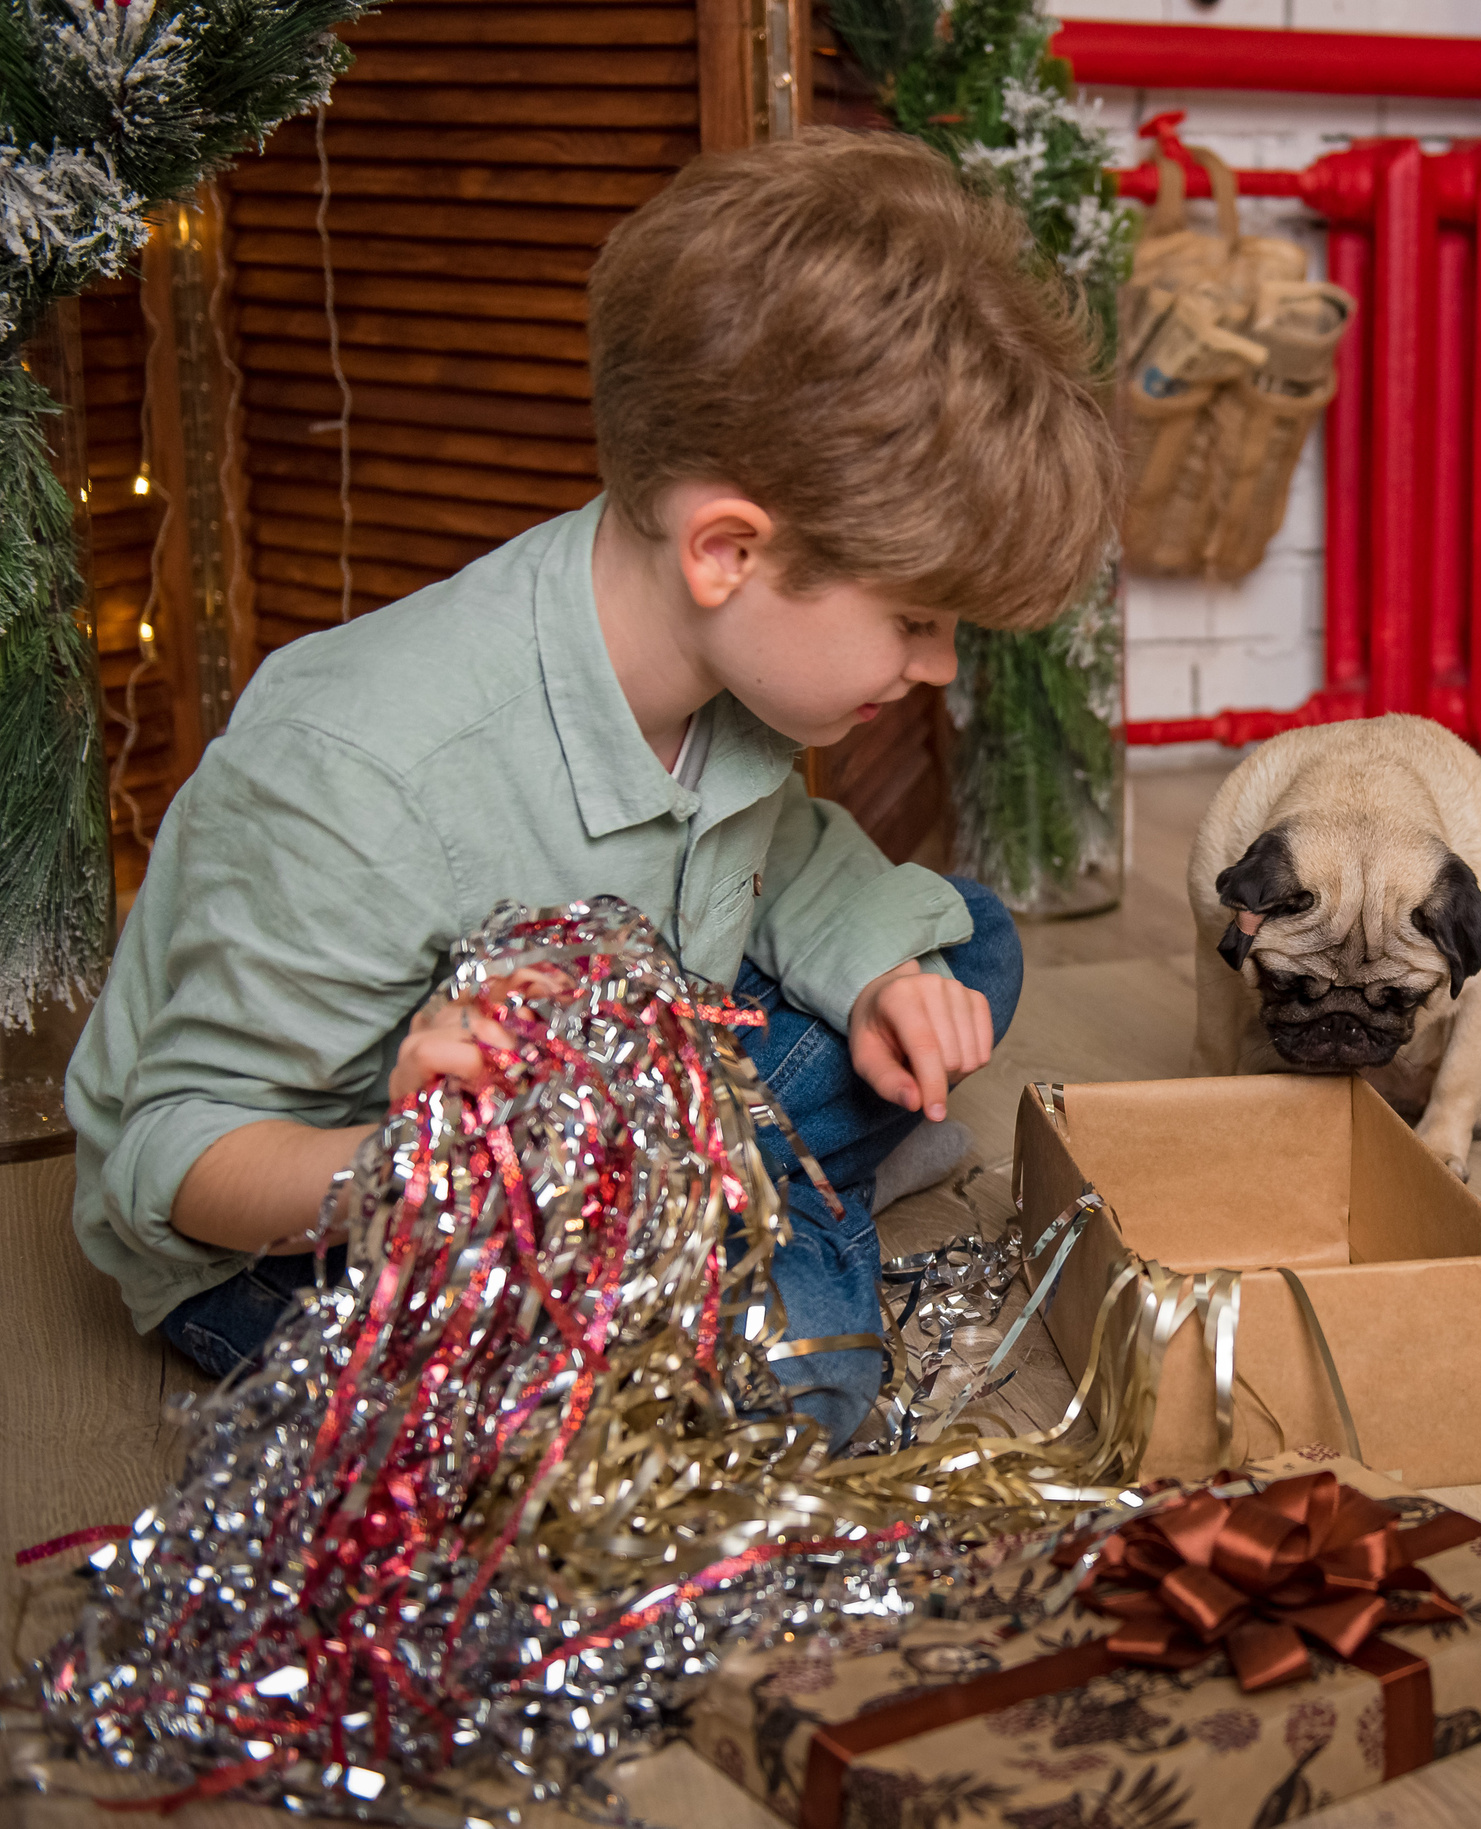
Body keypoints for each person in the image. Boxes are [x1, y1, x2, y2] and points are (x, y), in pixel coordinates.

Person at [63, 130, 1119, 1450]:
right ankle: (792, 1189)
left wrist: (880, 974)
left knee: (962, 939)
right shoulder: (362, 776)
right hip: (314, 1219)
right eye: (915, 619)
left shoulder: (721, 661)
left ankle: (761, 1178)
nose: (938, 666)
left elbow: (780, 856)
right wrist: (417, 1162)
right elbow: (179, 1153)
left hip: (631, 1085)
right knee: (796, 1376)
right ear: (728, 549)